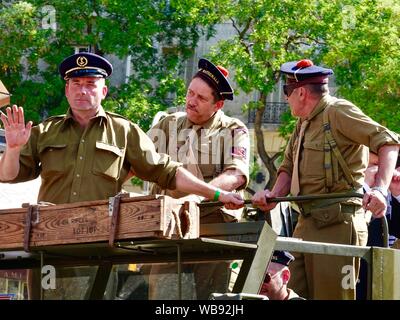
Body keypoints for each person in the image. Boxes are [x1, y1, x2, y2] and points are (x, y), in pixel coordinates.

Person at [0, 52, 244, 299]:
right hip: (50, 249)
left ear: (103, 91)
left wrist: (215, 193)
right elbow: (7, 175)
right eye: (76, 84)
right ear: (66, 90)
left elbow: (166, 171)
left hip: (99, 251)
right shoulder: (45, 131)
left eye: (90, 84)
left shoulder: (124, 131)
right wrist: (12, 148)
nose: (82, 91)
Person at [252, 59, 400, 300]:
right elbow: (288, 167)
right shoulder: (303, 124)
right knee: (290, 296)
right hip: (305, 223)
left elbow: (389, 142)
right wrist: (272, 195)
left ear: (300, 93)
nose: (286, 97)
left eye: (286, 92)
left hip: (337, 225)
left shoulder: (338, 111)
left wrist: (380, 190)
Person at [146, 58, 250, 299]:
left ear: (218, 104)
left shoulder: (234, 130)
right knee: (163, 299)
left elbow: (235, 175)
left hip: (212, 231)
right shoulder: (168, 124)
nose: (191, 101)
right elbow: (137, 161)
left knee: (210, 300)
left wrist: (197, 196)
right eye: (190, 93)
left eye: (201, 98)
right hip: (169, 231)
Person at [356, 154, 400, 299]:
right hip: (353, 269)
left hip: (384, 269)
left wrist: (396, 193)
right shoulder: (348, 184)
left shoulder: (387, 190)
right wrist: (365, 186)